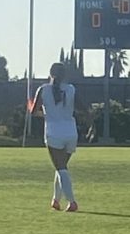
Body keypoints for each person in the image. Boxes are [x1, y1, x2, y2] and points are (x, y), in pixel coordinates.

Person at [29, 62, 89, 210]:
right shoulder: (71, 89)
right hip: (70, 132)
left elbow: (33, 112)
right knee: (61, 168)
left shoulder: (43, 89)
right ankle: (55, 200)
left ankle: (72, 201)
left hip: (53, 132)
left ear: (50, 73)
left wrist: (41, 111)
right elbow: (84, 109)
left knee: (61, 168)